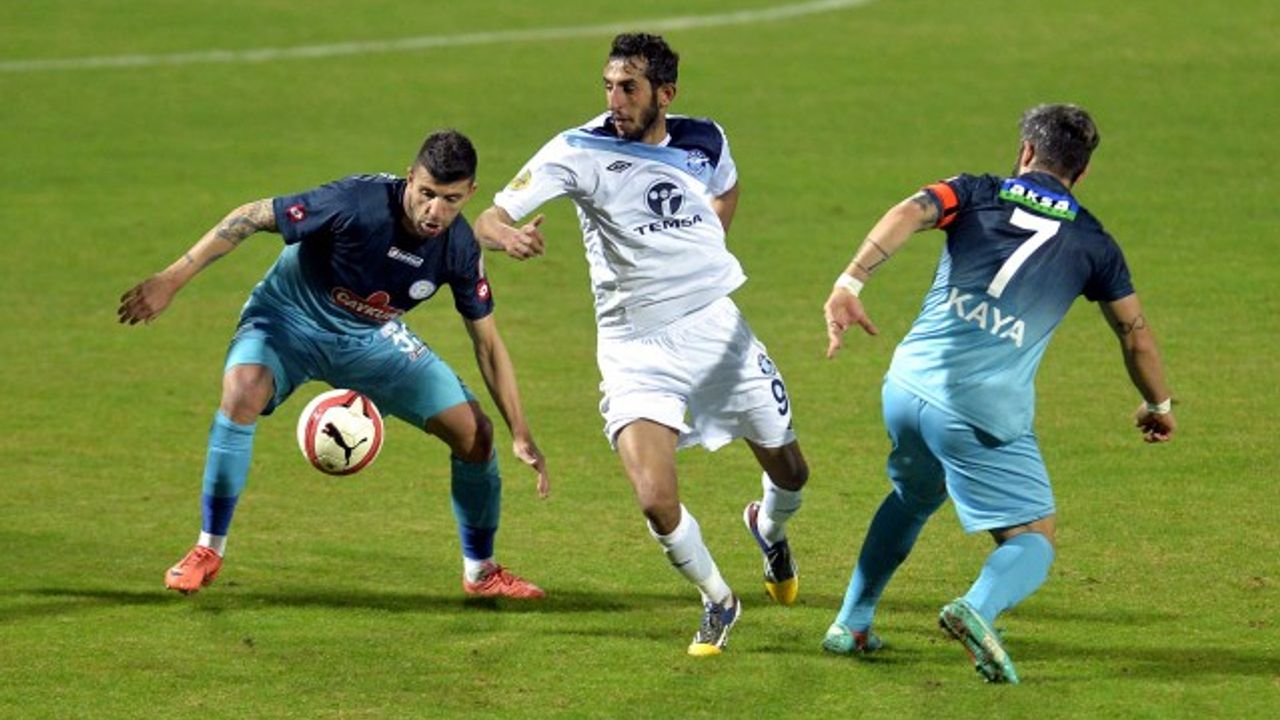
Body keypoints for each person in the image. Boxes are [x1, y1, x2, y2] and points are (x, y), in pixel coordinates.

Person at [472, 32, 810, 656]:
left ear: (665, 94)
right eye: (608, 86)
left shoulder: (705, 139)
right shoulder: (577, 149)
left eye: (629, 88)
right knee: (655, 499)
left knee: (791, 471)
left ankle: (768, 527)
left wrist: (705, 245)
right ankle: (717, 599)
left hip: (717, 331)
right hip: (635, 347)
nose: (614, 100)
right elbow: (488, 218)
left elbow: (727, 185)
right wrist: (508, 237)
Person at [820, 104, 1176, 683]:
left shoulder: (974, 192)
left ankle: (850, 623)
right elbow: (1135, 336)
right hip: (978, 412)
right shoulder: (1094, 244)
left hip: (907, 386)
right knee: (1033, 537)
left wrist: (849, 282)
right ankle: (977, 608)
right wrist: (1158, 405)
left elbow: (908, 211)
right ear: (1082, 172)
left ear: (1026, 152)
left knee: (913, 495)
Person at [118, 130, 549, 600]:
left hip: (371, 339)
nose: (434, 211)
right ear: (409, 178)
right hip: (288, 320)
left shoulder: (459, 248)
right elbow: (252, 215)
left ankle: (481, 572)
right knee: (242, 391)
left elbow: (487, 344)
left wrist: (520, 431)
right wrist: (171, 279)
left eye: (450, 199)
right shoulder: (356, 202)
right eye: (426, 193)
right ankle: (208, 548)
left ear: (470, 193)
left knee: (476, 435)